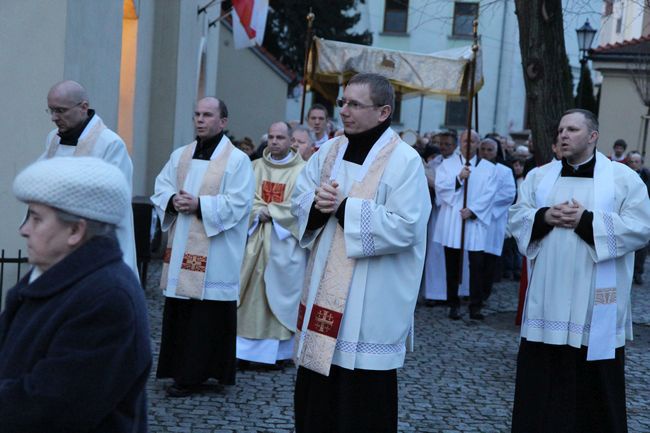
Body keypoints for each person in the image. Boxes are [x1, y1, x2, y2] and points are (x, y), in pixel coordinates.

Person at [291, 73, 430, 433]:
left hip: (371, 299)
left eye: (355, 104)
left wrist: (343, 207)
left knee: (361, 398)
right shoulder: (328, 151)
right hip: (325, 289)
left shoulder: (405, 161)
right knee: (317, 394)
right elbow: (299, 198)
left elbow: (407, 226)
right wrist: (318, 207)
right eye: (342, 103)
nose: (345, 111)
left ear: (383, 111)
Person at [508, 109, 650, 433]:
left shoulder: (623, 179)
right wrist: (543, 217)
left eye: (572, 129)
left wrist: (586, 221)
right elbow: (516, 218)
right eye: (561, 130)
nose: (563, 135)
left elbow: (641, 228)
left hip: (593, 303)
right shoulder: (539, 176)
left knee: (593, 394)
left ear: (593, 136)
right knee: (542, 386)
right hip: (548, 300)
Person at [0, 157, 151, 432]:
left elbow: (48, 409)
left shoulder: (108, 300)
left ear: (75, 230)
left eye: (36, 219)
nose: (24, 230)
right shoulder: (50, 276)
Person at [151, 97, 255, 397]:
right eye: (197, 114)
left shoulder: (236, 160)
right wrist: (172, 201)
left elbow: (239, 203)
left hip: (216, 252)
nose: (200, 119)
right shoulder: (180, 155)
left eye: (207, 115)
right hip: (184, 245)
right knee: (182, 312)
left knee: (207, 316)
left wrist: (200, 204)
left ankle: (202, 373)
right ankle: (180, 370)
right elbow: (162, 186)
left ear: (223, 122)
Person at [41, 80, 138, 276]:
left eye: (60, 110)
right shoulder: (53, 139)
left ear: (83, 107)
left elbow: (112, 199)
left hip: (94, 243)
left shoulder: (110, 144)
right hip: (58, 239)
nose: (54, 117)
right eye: (51, 110)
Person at [237, 122, 307, 367]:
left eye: (280, 137)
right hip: (254, 240)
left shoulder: (304, 171)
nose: (275, 141)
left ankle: (279, 353)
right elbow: (243, 198)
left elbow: (302, 205)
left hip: (284, 243)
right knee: (249, 297)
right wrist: (258, 212)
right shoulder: (253, 167)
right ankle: (243, 351)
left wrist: (272, 212)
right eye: (272, 137)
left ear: (290, 141)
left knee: (280, 294)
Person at [434, 129, 497, 320]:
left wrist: (473, 210)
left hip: (474, 220)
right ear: (459, 143)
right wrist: (458, 178)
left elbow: (490, 193)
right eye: (464, 141)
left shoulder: (488, 168)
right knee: (452, 264)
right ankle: (453, 304)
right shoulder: (448, 164)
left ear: (478, 144)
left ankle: (475, 306)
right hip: (453, 218)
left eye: (472, 141)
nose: (467, 144)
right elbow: (440, 187)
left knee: (477, 264)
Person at [421, 130, 466, 305]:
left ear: (455, 146)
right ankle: (434, 293)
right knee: (435, 253)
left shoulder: (461, 163)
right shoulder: (434, 163)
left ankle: (456, 292)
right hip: (436, 213)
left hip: (454, 212)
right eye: (441, 144)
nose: (443, 147)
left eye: (447, 144)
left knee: (455, 254)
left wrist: (437, 184)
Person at [479, 138, 516, 301]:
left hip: (493, 220)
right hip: (475, 220)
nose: (486, 153)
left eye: (490, 150)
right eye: (483, 149)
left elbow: (508, 194)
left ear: (496, 152)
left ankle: (484, 293)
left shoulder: (504, 171)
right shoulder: (474, 168)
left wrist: (484, 205)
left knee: (488, 262)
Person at [628, 150, 650, 284]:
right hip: (628, 214)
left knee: (642, 245)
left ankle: (638, 272)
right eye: (632, 161)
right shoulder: (622, 176)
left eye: (637, 162)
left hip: (644, 215)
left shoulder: (647, 176)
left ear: (641, 163)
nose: (634, 164)